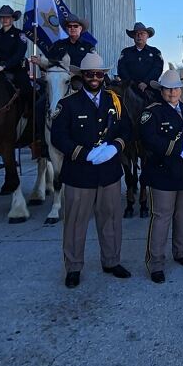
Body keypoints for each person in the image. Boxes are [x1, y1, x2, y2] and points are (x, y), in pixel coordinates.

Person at [50, 51, 132, 288]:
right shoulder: (67, 104)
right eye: (89, 74)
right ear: (82, 76)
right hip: (79, 174)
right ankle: (74, 267)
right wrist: (83, 153)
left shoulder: (114, 101)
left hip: (109, 172)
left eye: (98, 74)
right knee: (76, 222)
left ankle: (111, 261)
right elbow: (58, 137)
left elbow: (126, 129)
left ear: (103, 76)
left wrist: (115, 147)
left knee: (111, 220)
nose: (94, 78)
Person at [139, 69, 183, 284]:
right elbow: (149, 138)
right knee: (161, 218)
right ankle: (156, 263)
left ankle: (181, 252)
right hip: (163, 173)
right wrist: (177, 148)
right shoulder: (151, 112)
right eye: (168, 89)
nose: (173, 92)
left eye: (176, 88)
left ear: (181, 89)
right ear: (162, 91)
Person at [117, 22, 164, 97]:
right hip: (129, 90)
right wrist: (132, 83)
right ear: (133, 36)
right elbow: (121, 69)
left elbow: (157, 69)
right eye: (136, 33)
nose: (139, 36)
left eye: (142, 33)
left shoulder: (155, 52)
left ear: (147, 35)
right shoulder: (125, 52)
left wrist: (146, 82)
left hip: (150, 90)